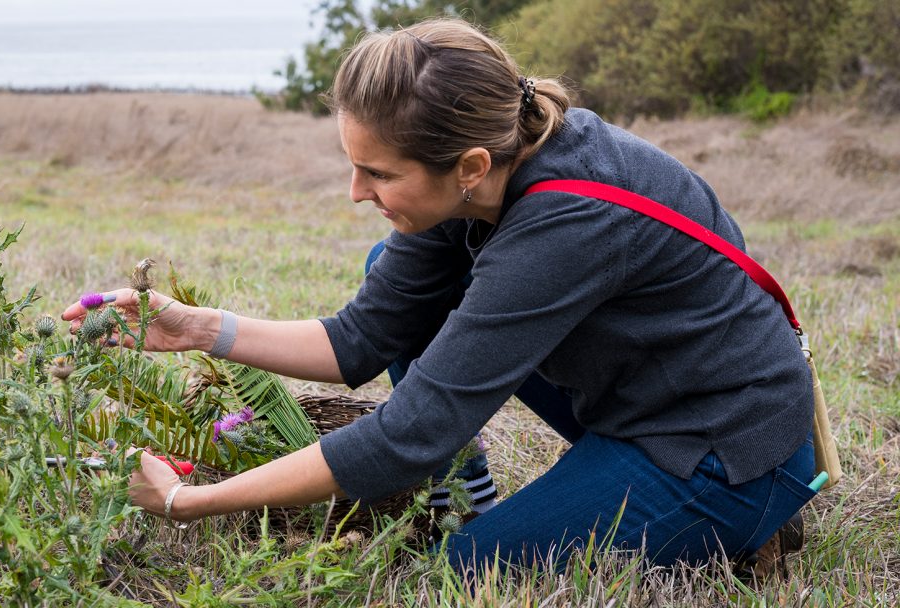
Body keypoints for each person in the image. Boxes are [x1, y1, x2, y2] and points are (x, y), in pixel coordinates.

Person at [62, 18, 816, 577]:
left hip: (720, 445)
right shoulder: (474, 179)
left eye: (379, 174)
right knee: (404, 291)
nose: (358, 192)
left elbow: (405, 436)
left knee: (458, 579)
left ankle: (747, 523)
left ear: (470, 163)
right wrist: (195, 327)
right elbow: (361, 340)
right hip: (638, 392)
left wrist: (187, 501)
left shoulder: (564, 225)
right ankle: (475, 502)